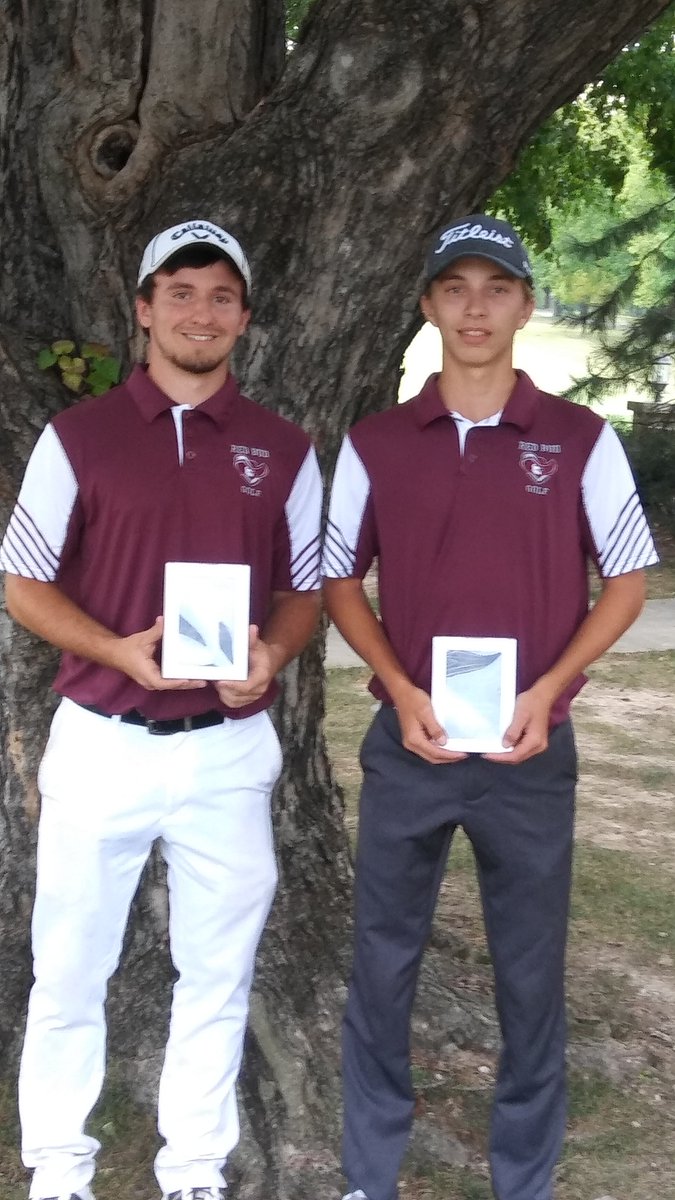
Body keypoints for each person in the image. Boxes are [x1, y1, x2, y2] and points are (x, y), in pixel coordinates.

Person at [322, 213, 658, 1200]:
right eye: (455, 288)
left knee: (528, 971)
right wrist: (398, 686)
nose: (476, 307)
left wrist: (551, 691)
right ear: (427, 306)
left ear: (525, 303)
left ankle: (525, 1179)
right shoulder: (377, 442)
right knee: (382, 961)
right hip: (409, 746)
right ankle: (368, 1174)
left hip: (530, 753)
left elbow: (630, 580)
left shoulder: (580, 440)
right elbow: (341, 580)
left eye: (496, 287)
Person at [1, 219, 322, 1200]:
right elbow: (21, 580)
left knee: (217, 976)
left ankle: (193, 1171)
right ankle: (59, 1169)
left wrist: (272, 649)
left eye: (222, 296)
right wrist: (113, 652)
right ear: (142, 311)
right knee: (68, 973)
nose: (201, 312)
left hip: (226, 751)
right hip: (103, 743)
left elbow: (304, 589)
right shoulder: (79, 437)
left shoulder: (284, 448)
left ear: (245, 319)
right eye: (180, 292)